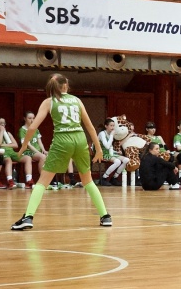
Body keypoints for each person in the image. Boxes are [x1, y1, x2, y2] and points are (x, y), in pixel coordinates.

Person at [11, 73, 112, 230]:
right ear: (66, 85)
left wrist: (24, 145)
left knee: (42, 182)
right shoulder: (77, 100)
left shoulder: (49, 102)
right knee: (88, 181)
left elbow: (32, 127)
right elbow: (90, 127)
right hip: (80, 139)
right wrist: (98, 149)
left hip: (62, 139)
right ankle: (105, 216)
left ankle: (28, 217)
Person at [0, 117, 18, 188]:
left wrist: (4, 144)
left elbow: (15, 145)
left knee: (27, 158)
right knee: (8, 160)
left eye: (4, 123)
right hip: (3, 153)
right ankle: (10, 180)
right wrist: (2, 132)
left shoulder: (8, 133)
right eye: (1, 123)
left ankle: (29, 180)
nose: (3, 125)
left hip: (12, 152)